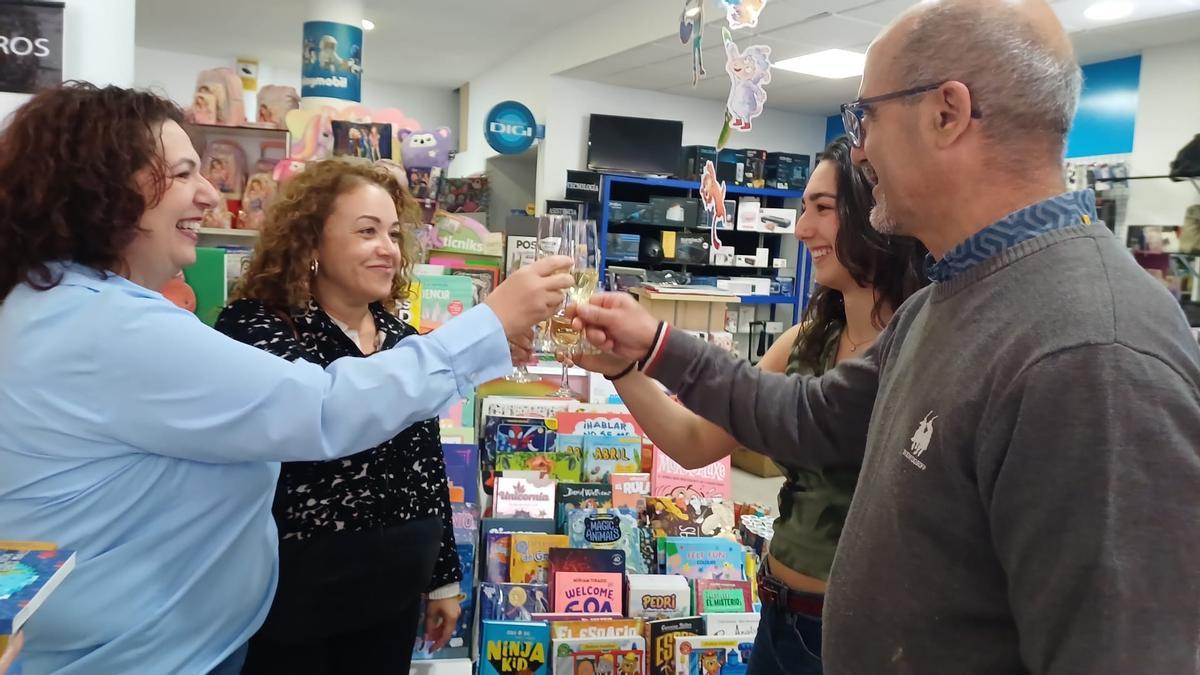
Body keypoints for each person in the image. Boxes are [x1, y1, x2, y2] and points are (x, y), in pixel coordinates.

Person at [570, 1, 1200, 672]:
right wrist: (653, 344)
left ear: (947, 114)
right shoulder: (947, 300)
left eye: (865, 116)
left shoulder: (1090, 352)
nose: (860, 147)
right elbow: (809, 417)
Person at [0, 83, 571, 674]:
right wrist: (489, 321)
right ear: (103, 185)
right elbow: (322, 410)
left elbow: (411, 453)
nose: (206, 195)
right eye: (182, 173)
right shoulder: (109, 326)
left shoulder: (64, 306)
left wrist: (440, 575)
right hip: (150, 650)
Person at [572, 136, 925, 674]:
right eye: (803, 209)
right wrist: (620, 368)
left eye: (823, 209)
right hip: (778, 618)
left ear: (878, 213)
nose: (803, 229)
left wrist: (657, 345)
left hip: (860, 638)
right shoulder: (807, 342)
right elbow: (694, 443)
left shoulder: (921, 350)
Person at [212, 159, 461, 673]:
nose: (388, 248)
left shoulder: (403, 340)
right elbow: (311, 418)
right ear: (310, 244)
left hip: (392, 590)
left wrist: (443, 579)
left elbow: (426, 466)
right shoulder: (260, 327)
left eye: (393, 234)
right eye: (367, 231)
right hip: (291, 598)